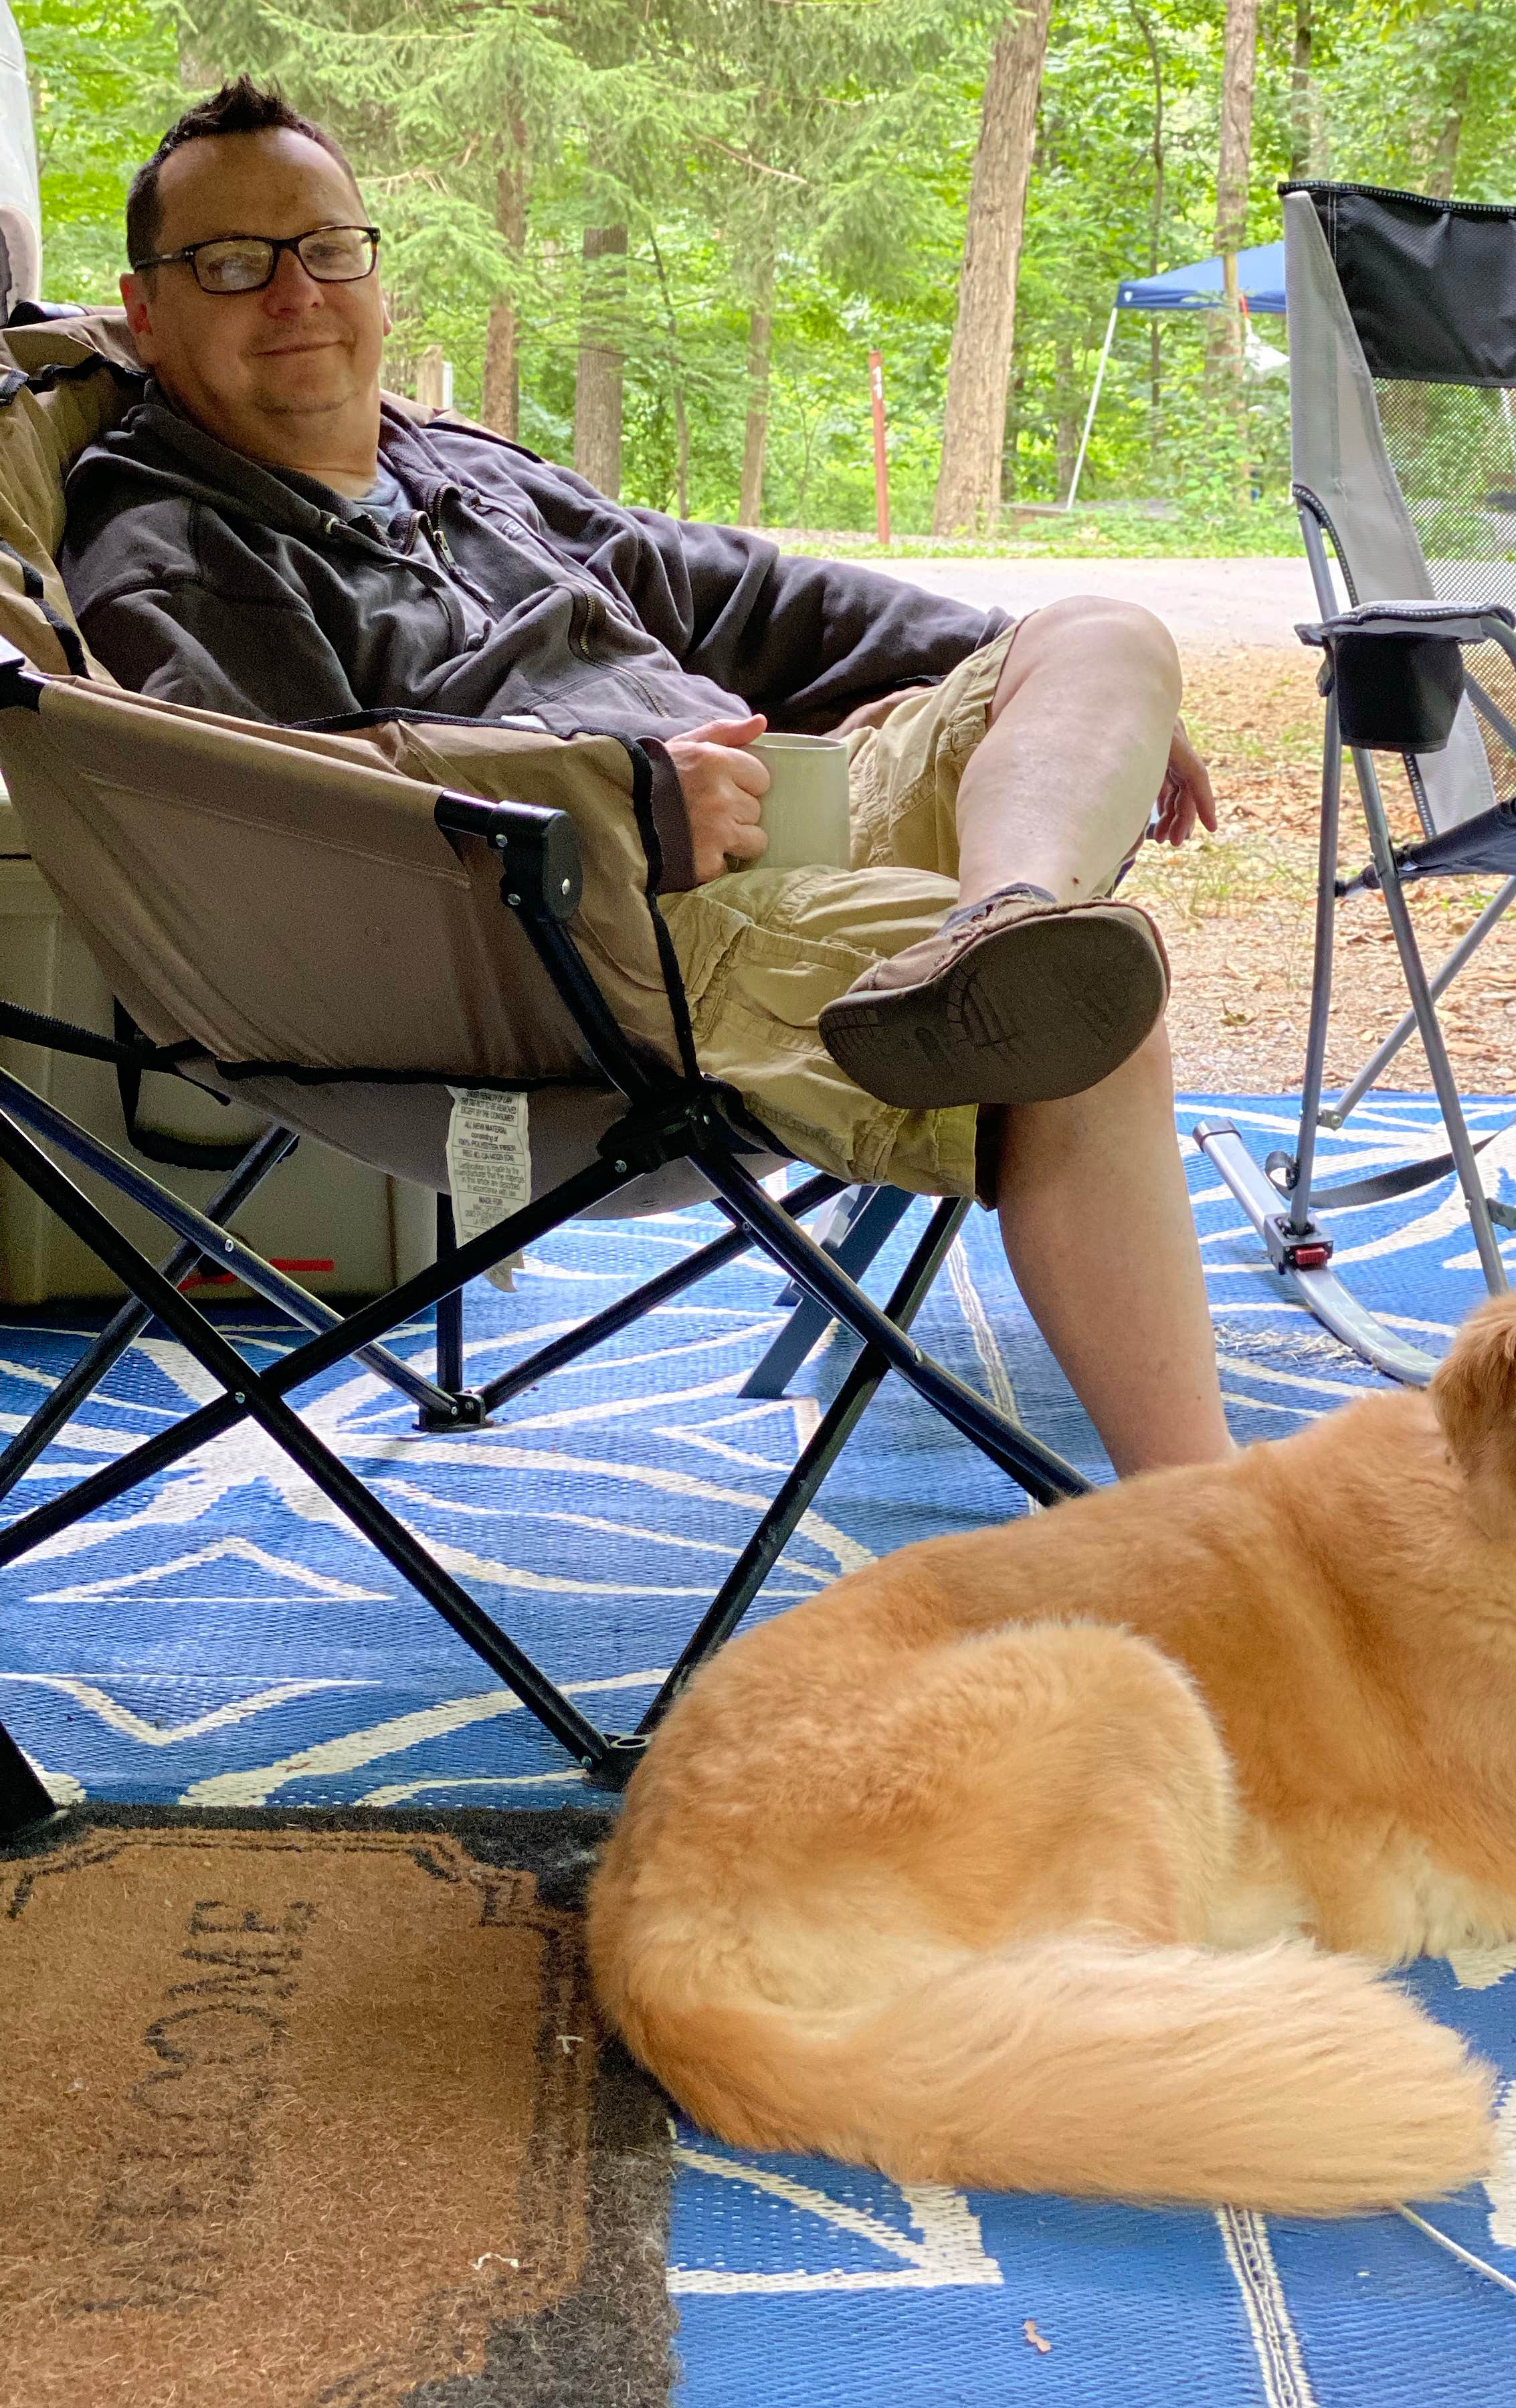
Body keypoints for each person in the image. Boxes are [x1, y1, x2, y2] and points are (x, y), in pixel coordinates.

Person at [58, 78, 1234, 1476]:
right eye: (232, 263)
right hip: (596, 944)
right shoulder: (170, 537)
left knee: (1099, 633)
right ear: (147, 310)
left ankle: (1001, 928)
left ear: (371, 267)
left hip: (774, 811)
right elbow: (266, 800)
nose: (294, 293)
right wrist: (612, 802)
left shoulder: (458, 470)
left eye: (325, 247)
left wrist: (1028, 679)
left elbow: (742, 593)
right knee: (1088, 1041)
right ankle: (1203, 1519)